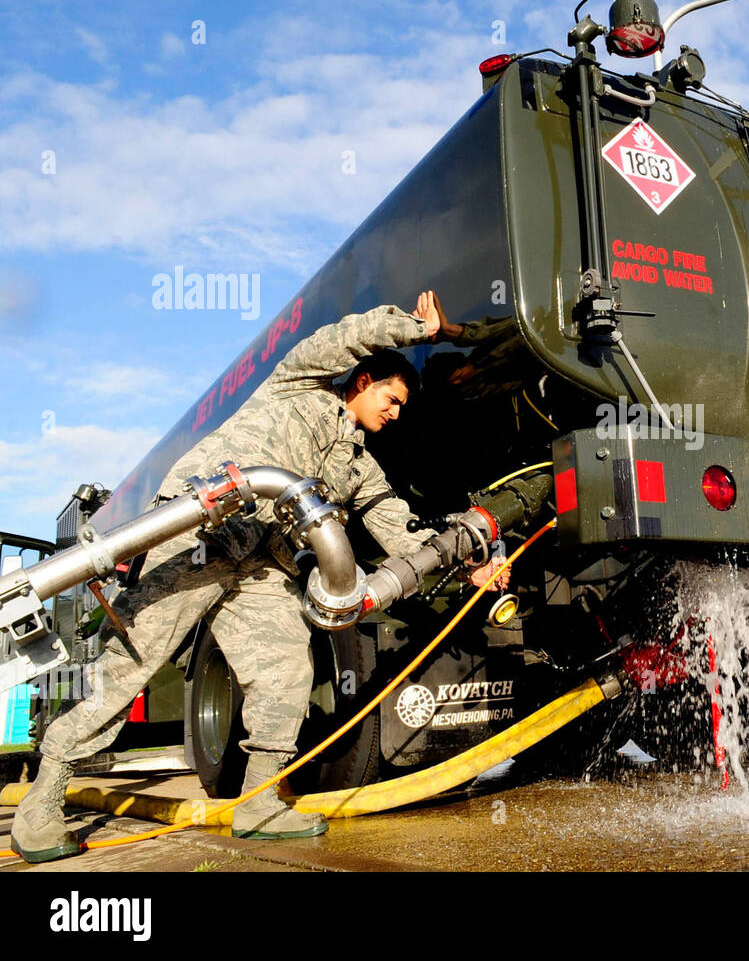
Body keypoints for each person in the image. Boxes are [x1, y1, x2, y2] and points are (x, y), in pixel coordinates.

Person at [11, 291, 508, 863]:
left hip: (260, 563)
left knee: (287, 669)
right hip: (196, 533)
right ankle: (42, 806)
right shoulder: (297, 383)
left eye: (400, 409)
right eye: (391, 399)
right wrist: (418, 331)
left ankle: (260, 801)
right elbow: (342, 336)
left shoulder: (360, 466)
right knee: (132, 665)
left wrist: (469, 566)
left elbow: (397, 526)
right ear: (363, 380)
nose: (394, 414)